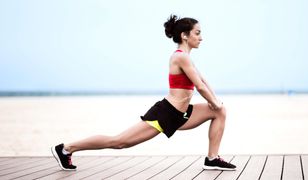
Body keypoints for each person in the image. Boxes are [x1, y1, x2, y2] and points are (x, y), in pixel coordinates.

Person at [51, 14, 236, 171]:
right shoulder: (180, 57)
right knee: (119, 142)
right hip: (166, 113)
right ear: (184, 35)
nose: (201, 37)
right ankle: (66, 148)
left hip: (183, 113)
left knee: (220, 111)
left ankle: (212, 159)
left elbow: (204, 81)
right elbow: (200, 87)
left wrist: (216, 102)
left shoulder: (187, 57)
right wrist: (213, 101)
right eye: (198, 33)